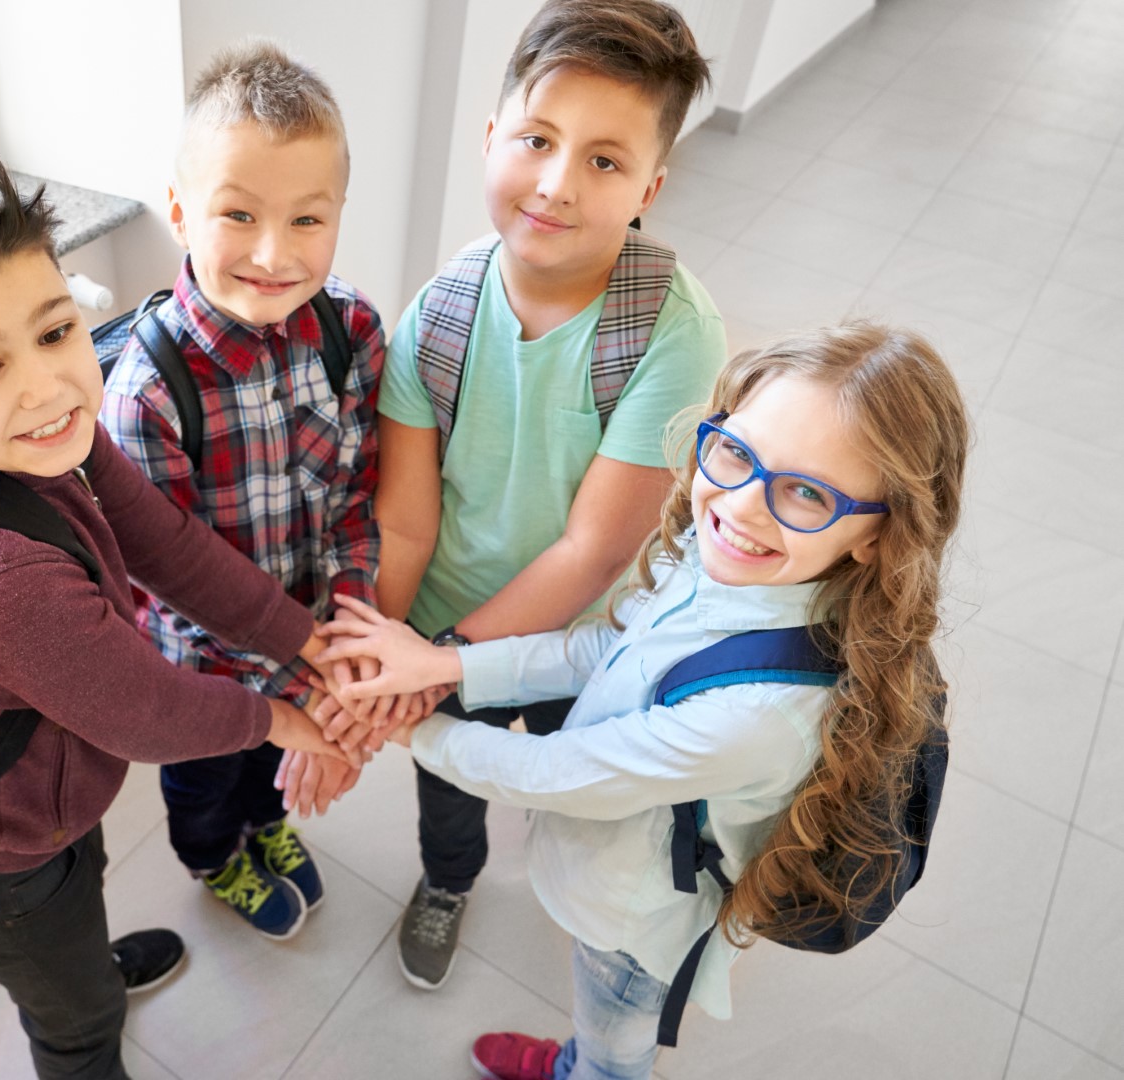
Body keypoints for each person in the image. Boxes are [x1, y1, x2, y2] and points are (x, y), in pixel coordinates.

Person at [0, 157, 353, 1080]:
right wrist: (298, 720)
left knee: (74, 913)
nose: (48, 386)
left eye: (56, 331)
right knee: (74, 1022)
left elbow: (166, 545)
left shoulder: (53, 436)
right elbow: (148, 714)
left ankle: (79, 962)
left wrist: (307, 641)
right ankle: (81, 995)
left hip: (37, 795)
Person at [318, 322, 970, 1079]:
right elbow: (602, 649)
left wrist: (401, 728)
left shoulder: (759, 715)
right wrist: (443, 665)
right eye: (736, 451)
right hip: (618, 867)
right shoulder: (736, 560)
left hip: (634, 925)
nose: (742, 507)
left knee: (613, 1045)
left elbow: (550, 772)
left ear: (874, 535)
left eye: (805, 492)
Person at [371, 0, 726, 989]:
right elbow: (405, 519)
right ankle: (448, 880)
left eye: (604, 161)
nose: (557, 184)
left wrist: (431, 666)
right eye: (536, 140)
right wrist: (391, 656)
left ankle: (590, 898)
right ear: (490, 139)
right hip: (452, 622)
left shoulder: (671, 329)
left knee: (583, 785)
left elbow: (590, 552)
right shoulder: (437, 311)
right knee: (448, 783)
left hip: (585, 635)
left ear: (649, 185)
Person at [101, 40, 385, 939]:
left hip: (309, 645)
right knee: (207, 778)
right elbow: (175, 584)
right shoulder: (145, 394)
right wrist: (298, 676)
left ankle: (267, 824)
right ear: (181, 211)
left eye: (308, 221)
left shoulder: (353, 331)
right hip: (207, 671)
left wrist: (339, 645)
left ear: (340, 216)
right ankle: (214, 856)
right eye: (237, 214)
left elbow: (356, 503)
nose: (272, 253)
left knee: (274, 770)